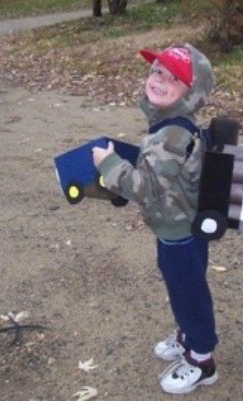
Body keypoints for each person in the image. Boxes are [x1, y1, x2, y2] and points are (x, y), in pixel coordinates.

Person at [92, 43, 218, 395]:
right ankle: (187, 334)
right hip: (180, 225)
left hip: (180, 231)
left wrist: (108, 164)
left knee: (187, 290)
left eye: (173, 77)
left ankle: (201, 359)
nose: (159, 80)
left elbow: (143, 188)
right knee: (182, 285)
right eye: (156, 71)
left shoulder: (171, 136)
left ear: (191, 94)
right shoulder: (171, 127)